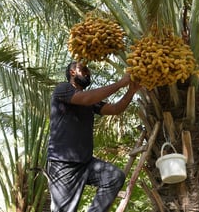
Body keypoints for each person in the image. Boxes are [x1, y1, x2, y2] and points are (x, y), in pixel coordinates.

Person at [47, 61, 141, 212]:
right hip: (63, 164)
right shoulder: (62, 89)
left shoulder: (90, 101)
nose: (88, 73)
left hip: (85, 163)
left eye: (88, 71)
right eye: (83, 69)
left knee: (114, 177)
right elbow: (85, 98)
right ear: (72, 72)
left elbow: (115, 109)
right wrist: (120, 83)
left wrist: (131, 90)